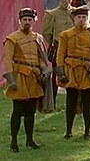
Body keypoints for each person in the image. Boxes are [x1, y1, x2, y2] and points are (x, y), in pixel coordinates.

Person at [56, 7, 90, 139]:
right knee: (71, 101)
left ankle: (87, 131)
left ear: (88, 19)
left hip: (87, 71)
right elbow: (60, 55)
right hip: (71, 70)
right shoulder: (65, 35)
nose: (81, 20)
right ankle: (68, 131)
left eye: (84, 17)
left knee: (87, 101)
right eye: (79, 17)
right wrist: (61, 72)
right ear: (74, 19)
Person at [4, 8, 49, 152]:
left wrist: (45, 70)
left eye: (30, 20)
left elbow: (41, 58)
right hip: (19, 76)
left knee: (31, 111)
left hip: (34, 77)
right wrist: (11, 79)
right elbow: (7, 60)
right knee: (17, 111)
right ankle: (14, 142)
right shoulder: (12, 38)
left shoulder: (38, 38)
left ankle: (30, 140)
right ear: (20, 21)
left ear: (34, 21)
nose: (27, 22)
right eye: (25, 20)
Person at [42, 0, 75, 109]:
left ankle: (72, 103)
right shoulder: (52, 14)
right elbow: (46, 32)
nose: (66, 1)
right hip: (58, 46)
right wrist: (54, 43)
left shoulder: (75, 13)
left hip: (73, 47)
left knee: (73, 73)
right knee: (57, 74)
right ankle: (52, 103)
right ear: (59, 0)